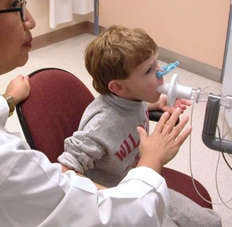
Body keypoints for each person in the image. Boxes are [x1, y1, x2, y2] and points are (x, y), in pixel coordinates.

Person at [0, 0, 191, 226]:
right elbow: (115, 218)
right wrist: (152, 157)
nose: (31, 20)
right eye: (16, 5)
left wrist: (8, 100)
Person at [58, 25, 222, 227]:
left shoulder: (132, 98)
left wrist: (158, 102)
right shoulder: (100, 125)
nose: (161, 72)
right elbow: (65, 171)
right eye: (149, 70)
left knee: (209, 222)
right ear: (117, 87)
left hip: (141, 180)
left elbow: (135, 106)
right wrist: (105, 197)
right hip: (119, 201)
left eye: (156, 63)